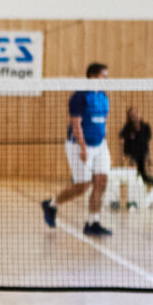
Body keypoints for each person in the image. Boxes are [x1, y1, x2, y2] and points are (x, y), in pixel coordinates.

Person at [42, 63, 114, 237]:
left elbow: (102, 122)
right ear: (93, 76)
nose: (106, 79)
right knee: (82, 186)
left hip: (100, 145)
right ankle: (51, 204)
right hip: (78, 145)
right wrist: (83, 147)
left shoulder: (103, 96)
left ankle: (93, 222)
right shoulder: (80, 96)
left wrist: (103, 143)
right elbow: (76, 124)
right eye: (103, 76)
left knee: (101, 181)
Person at [119, 108, 153, 187]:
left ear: (139, 114)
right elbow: (121, 137)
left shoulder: (145, 127)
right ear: (130, 117)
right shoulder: (128, 128)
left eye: (136, 114)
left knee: (143, 161)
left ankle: (145, 179)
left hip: (143, 152)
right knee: (137, 161)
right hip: (132, 153)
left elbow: (148, 139)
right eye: (132, 115)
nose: (135, 116)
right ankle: (141, 178)